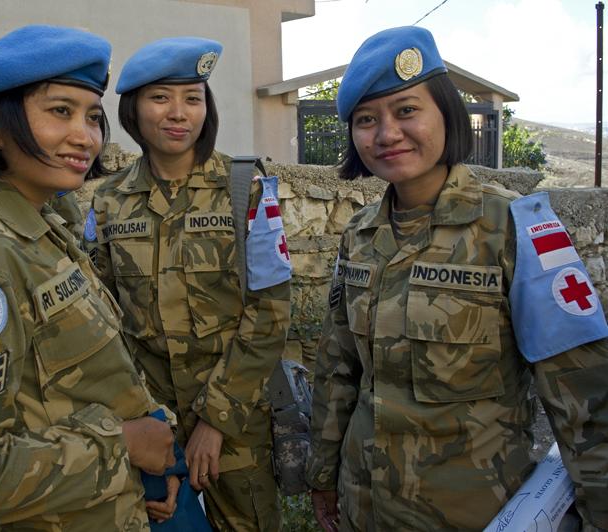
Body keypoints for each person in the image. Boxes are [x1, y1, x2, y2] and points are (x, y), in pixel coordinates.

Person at [306, 26, 608, 531]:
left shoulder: (514, 227)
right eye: (366, 120)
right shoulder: (359, 235)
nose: (387, 134)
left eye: (406, 110)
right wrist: (322, 475)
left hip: (475, 514)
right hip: (364, 507)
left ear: (446, 113)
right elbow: (338, 367)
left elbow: (584, 392)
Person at [0, 25, 177, 529]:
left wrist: (150, 457)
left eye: (92, 117)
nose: (85, 137)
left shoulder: (42, 223)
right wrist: (122, 450)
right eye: (60, 111)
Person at [85, 37, 291, 531]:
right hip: (150, 420)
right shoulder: (108, 201)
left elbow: (270, 313)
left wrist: (215, 420)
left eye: (192, 99)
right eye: (160, 98)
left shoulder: (246, 189)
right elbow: (103, 320)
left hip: (236, 425)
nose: (178, 113)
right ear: (133, 110)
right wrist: (141, 420)